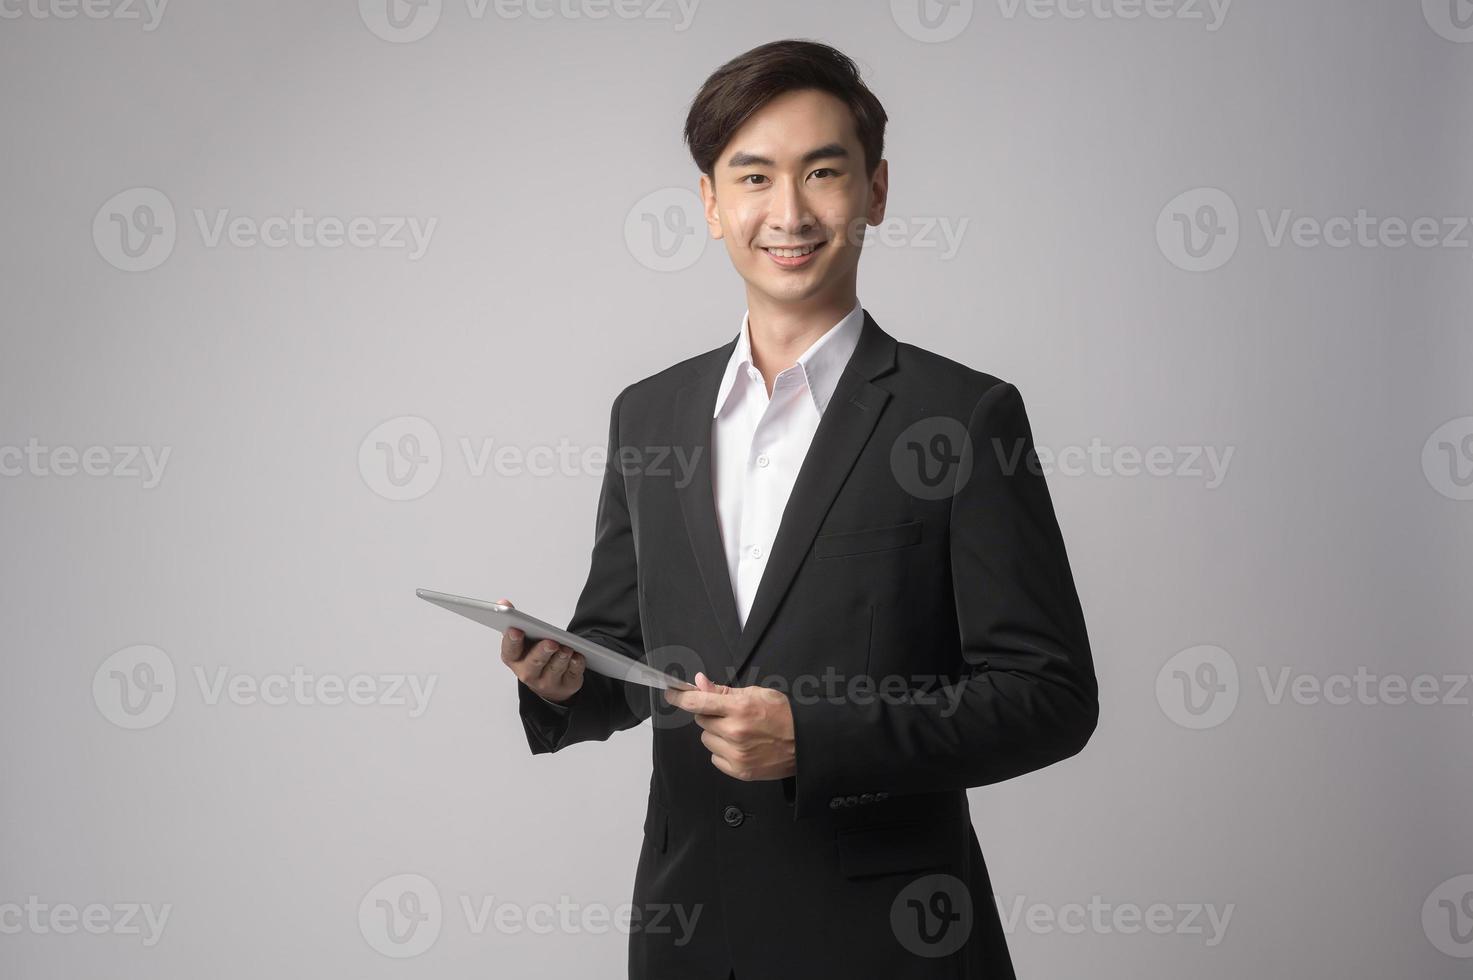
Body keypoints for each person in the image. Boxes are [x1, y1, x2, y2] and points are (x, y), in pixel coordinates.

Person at [500, 38, 1098, 980]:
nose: (788, 213)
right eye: (752, 177)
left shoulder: (963, 416)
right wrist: (568, 681)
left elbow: (1049, 700)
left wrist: (815, 739)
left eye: (822, 172)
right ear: (708, 204)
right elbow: (629, 649)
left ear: (876, 190)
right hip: (691, 935)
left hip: (893, 941)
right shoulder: (647, 414)